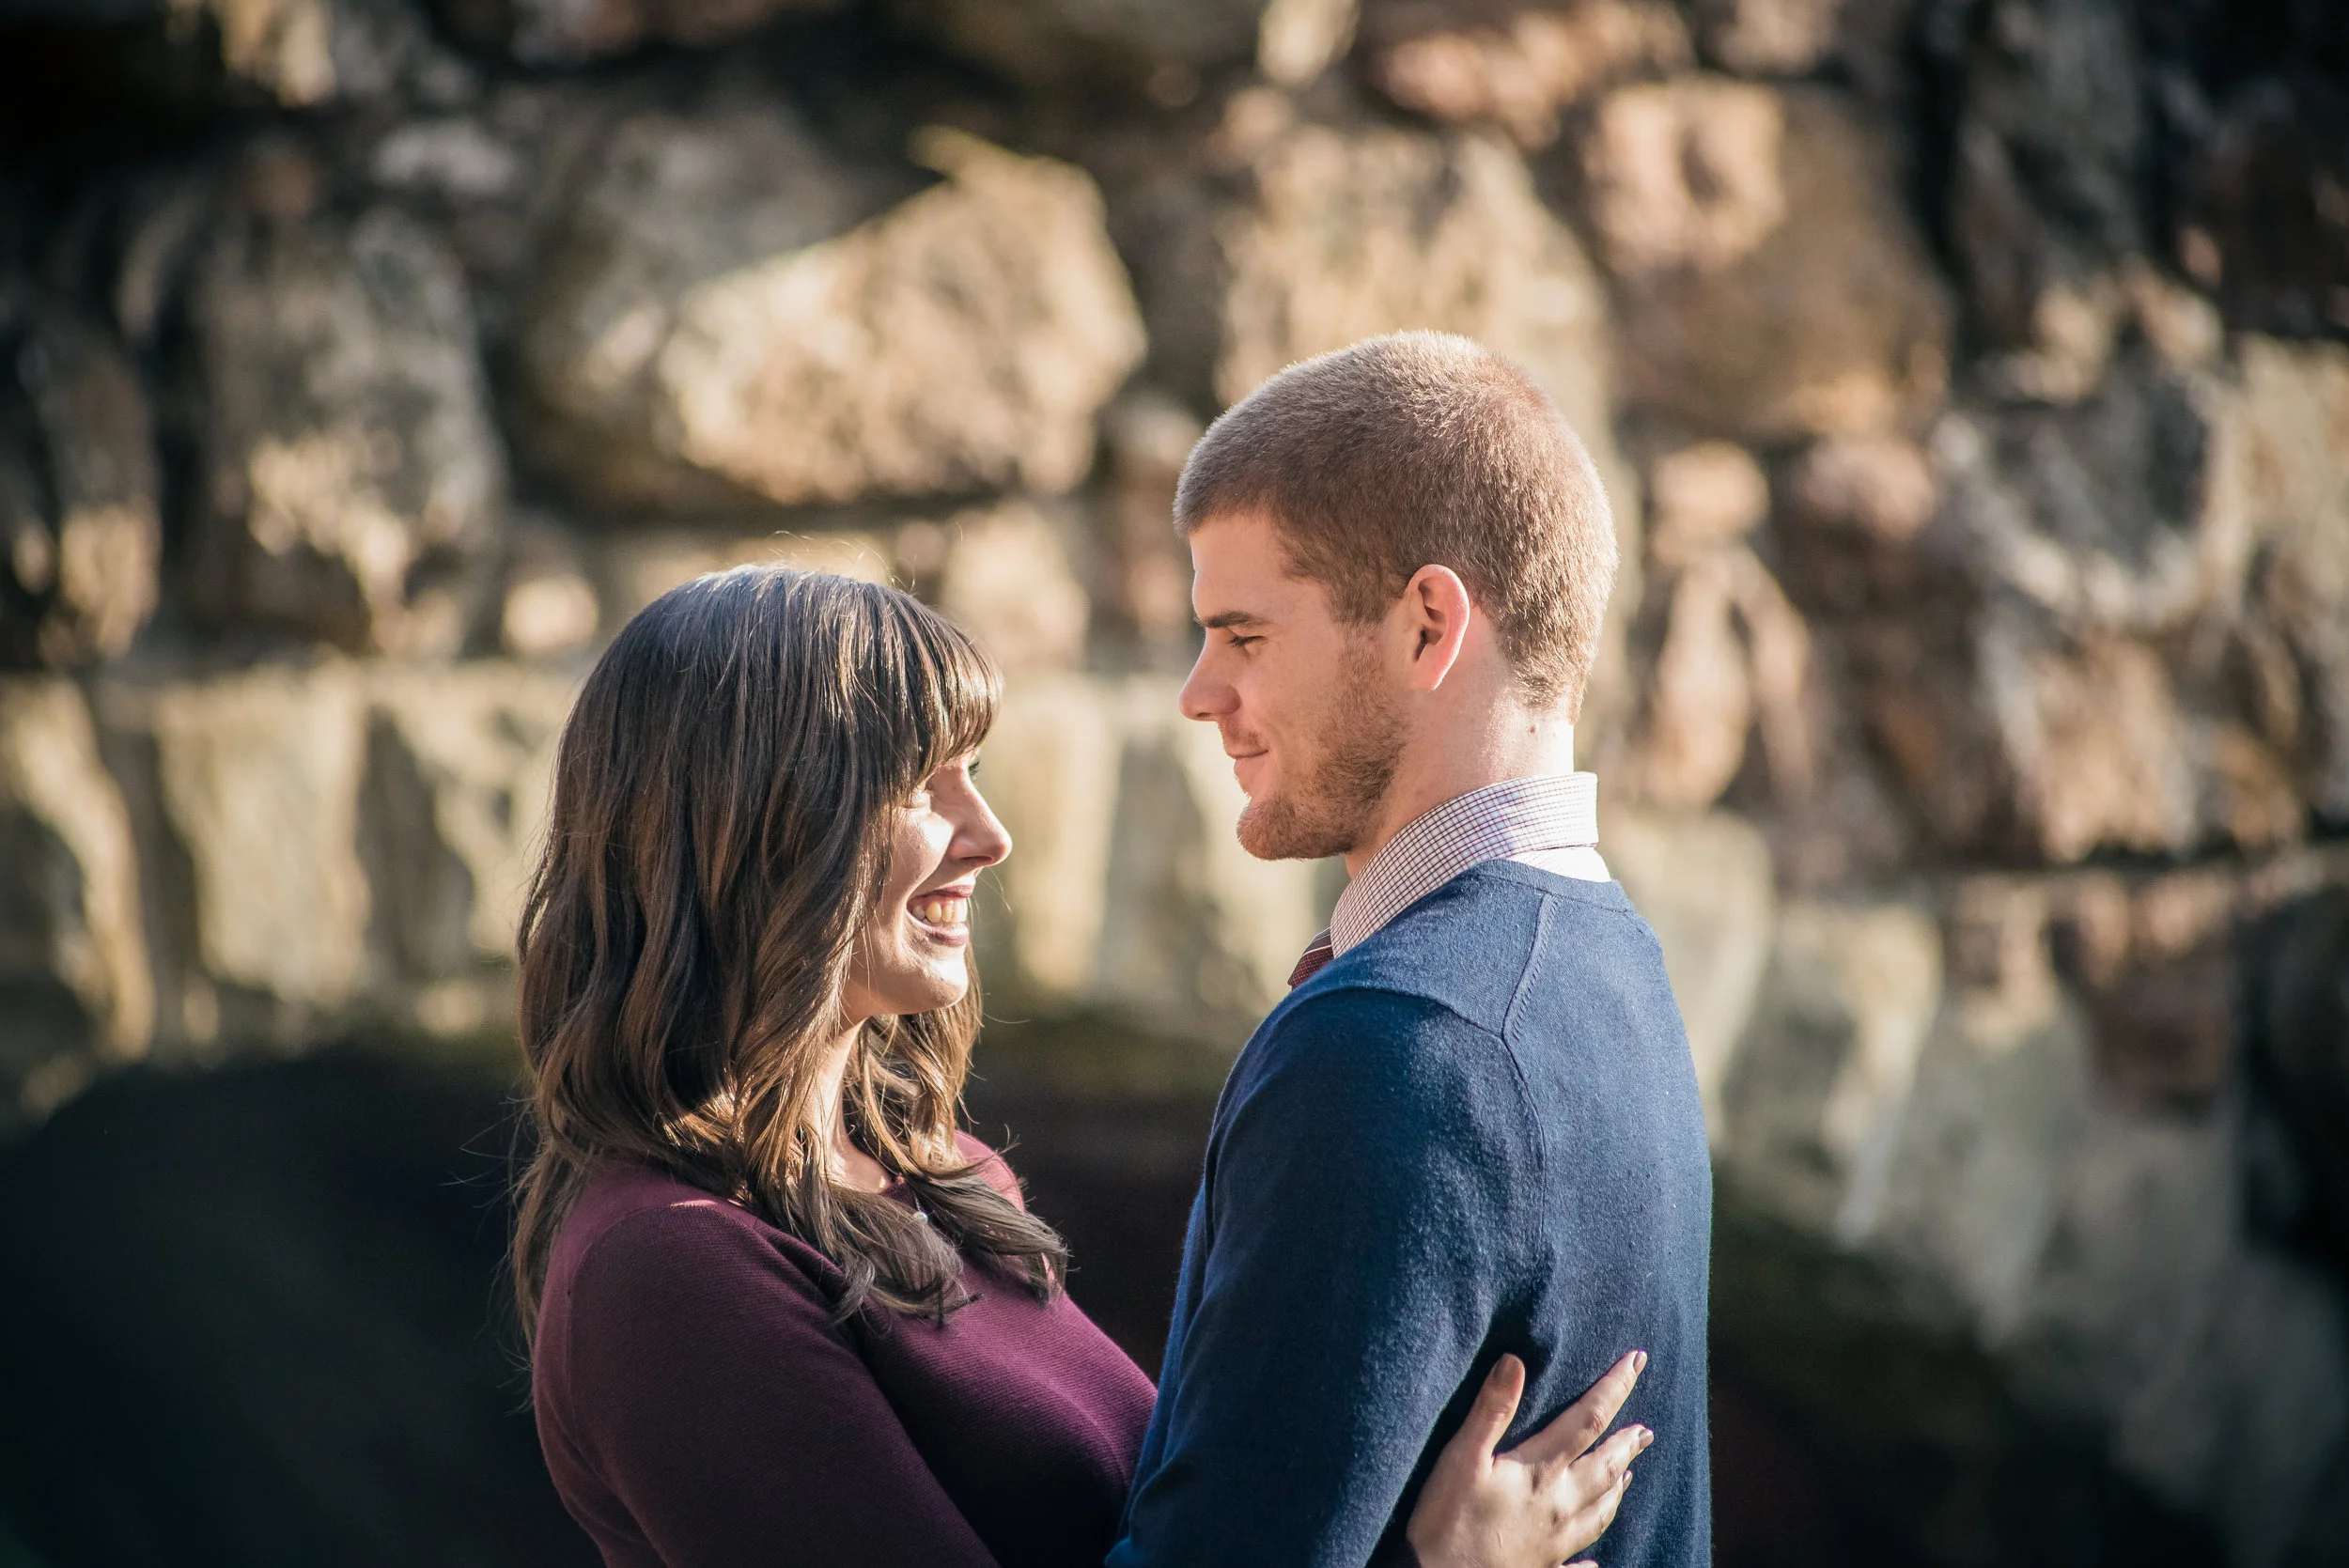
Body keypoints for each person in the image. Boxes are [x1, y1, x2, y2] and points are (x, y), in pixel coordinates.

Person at [510, 566, 1656, 1568]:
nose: (988, 830)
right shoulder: (664, 1272)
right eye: (923, 782)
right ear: (752, 826)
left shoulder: (947, 1176)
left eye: (974, 770)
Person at [1106, 333, 1713, 1568]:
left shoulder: (1397, 1050)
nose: (1198, 692)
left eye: (1245, 635)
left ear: (1429, 623)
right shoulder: (1615, 965)